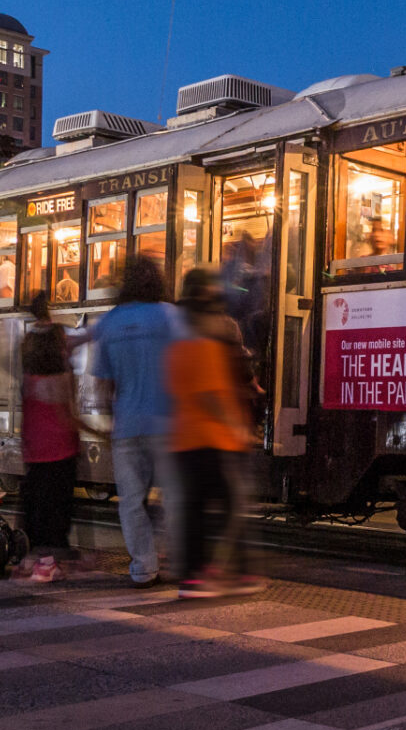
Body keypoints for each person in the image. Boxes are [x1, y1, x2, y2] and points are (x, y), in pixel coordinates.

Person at [89, 256, 187, 587]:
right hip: (168, 423)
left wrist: (107, 422)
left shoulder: (112, 321)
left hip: (127, 426)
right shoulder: (171, 317)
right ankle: (177, 562)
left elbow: (103, 383)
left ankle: (144, 567)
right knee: (174, 497)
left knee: (131, 502)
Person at [168, 267, 260, 598]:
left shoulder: (177, 340)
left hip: (185, 437)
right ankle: (227, 573)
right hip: (214, 438)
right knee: (229, 506)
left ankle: (198, 574)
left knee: (196, 507)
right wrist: (238, 427)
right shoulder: (204, 341)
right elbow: (209, 393)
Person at [18, 292, 79, 575]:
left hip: (34, 443)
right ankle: (53, 556)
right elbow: (68, 412)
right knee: (58, 501)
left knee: (37, 498)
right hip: (60, 445)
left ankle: (36, 552)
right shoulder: (62, 378)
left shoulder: (29, 370)